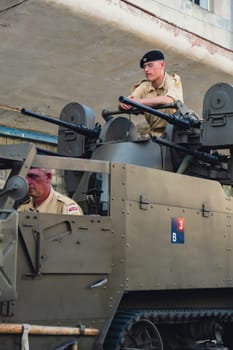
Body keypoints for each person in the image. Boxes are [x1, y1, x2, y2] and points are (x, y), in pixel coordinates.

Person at [119, 49, 184, 137]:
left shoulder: (172, 80)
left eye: (150, 65)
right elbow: (131, 100)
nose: (146, 69)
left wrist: (139, 102)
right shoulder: (144, 86)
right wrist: (124, 104)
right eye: (145, 66)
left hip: (175, 134)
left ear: (162, 65)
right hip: (154, 135)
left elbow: (169, 100)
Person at [18, 167, 83, 215]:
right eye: (24, 178)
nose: (27, 182)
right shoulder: (23, 208)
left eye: (33, 176)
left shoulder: (65, 206)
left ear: (48, 177)